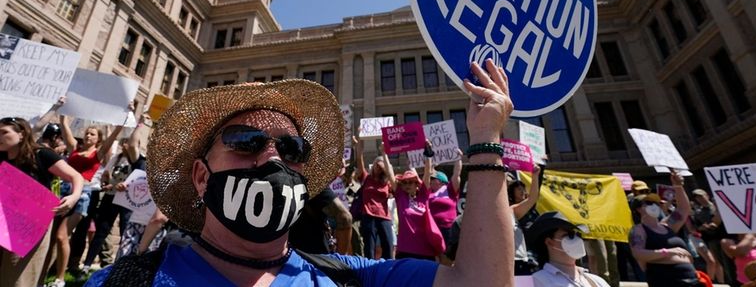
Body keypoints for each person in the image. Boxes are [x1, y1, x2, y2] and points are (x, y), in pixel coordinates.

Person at [85, 59, 516, 286]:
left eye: (291, 149)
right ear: (201, 177)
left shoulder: (349, 277)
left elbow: (483, 282)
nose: (271, 159)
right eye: (244, 142)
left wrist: (485, 139)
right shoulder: (125, 282)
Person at [0, 116, 84, 287]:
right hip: (4, 220)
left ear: (21, 134)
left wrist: (74, 197)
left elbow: (76, 176)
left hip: (30, 225)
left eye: (3, 132)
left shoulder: (42, 154)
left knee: (17, 277)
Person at [48, 116, 122, 287]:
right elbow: (65, 125)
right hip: (62, 191)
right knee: (51, 236)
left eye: (93, 134)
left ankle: (60, 279)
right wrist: (63, 114)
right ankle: (43, 274)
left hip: (82, 194)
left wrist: (121, 122)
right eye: (87, 133)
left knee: (61, 236)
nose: (88, 136)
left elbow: (112, 138)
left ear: (98, 139)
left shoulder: (98, 153)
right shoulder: (74, 148)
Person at [80, 110, 147, 274]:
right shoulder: (115, 159)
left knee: (126, 233)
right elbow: (106, 177)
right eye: (123, 142)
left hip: (129, 202)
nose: (125, 145)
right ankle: (87, 265)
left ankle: (121, 266)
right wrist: (108, 183)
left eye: (127, 142)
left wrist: (140, 123)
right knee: (102, 231)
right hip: (111, 198)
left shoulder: (139, 160)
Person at [628, 171, 699, 287]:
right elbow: (638, 253)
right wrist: (668, 252)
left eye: (656, 203)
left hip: (691, 278)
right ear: (638, 209)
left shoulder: (668, 225)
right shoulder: (639, 230)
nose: (654, 205)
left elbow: (683, 209)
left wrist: (678, 186)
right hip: (665, 280)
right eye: (649, 203)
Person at [528, 211, 610, 287]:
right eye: (569, 235)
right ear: (549, 242)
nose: (577, 240)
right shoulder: (534, 281)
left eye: (577, 235)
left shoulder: (597, 281)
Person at [353, 134, 397, 259]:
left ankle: (389, 269)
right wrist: (358, 145)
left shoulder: (387, 182)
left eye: (381, 165)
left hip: (384, 217)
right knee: (369, 247)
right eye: (376, 164)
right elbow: (359, 161)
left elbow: (391, 176)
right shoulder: (366, 178)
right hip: (368, 216)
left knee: (388, 245)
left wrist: (384, 156)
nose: (378, 167)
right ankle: (370, 270)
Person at [394, 161, 442, 260]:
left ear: (416, 184)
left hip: (425, 250)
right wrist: (384, 154)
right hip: (405, 250)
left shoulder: (423, 196)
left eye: (410, 182)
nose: (407, 185)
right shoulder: (401, 197)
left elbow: (427, 172)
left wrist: (428, 155)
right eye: (404, 182)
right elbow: (390, 174)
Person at [509, 165, 541, 275]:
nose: (522, 191)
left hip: (534, 255)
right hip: (517, 261)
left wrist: (536, 174)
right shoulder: (511, 210)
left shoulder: (530, 209)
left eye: (523, 188)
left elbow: (533, 197)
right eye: (518, 189)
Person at [427, 151, 462, 246]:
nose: (430, 181)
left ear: (442, 181)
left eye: (433, 179)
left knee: (447, 255)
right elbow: (427, 174)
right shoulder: (429, 192)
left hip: (448, 228)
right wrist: (430, 161)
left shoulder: (450, 189)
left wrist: (458, 158)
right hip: (432, 227)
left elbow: (456, 174)